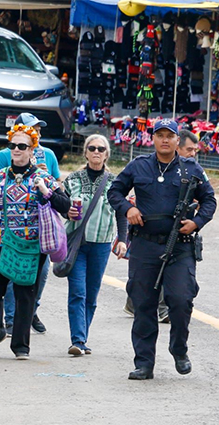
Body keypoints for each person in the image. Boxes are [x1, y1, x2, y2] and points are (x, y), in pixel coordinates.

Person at [108, 119, 216, 380]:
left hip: (179, 246)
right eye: (160, 135)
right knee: (144, 304)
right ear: (153, 139)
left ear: (178, 140)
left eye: (170, 135)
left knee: (181, 299)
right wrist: (128, 209)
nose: (165, 140)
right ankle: (144, 363)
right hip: (145, 245)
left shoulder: (191, 168)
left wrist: (197, 222)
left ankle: (179, 348)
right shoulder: (139, 165)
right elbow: (115, 192)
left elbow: (209, 200)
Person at [0, 124, 70, 360]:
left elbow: (66, 206)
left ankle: (20, 345)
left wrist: (46, 192)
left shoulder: (43, 178)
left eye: (22, 146)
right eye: (12, 145)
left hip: (31, 244)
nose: (16, 149)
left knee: (25, 292)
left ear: (31, 150)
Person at [0, 113, 61, 336]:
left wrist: (45, 179)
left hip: (40, 226)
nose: (38, 133)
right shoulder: (5, 155)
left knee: (40, 274)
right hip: (12, 227)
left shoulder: (48, 154)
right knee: (14, 274)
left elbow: (58, 184)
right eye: (33, 129)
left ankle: (31, 311)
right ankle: (11, 318)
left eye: (39, 130)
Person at [62, 135, 128, 356]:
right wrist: (67, 212)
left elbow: (121, 213)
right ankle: (78, 340)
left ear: (107, 154)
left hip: (101, 245)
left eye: (101, 149)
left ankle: (83, 338)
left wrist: (123, 240)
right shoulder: (72, 179)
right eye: (92, 148)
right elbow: (61, 205)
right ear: (86, 152)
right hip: (77, 244)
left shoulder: (115, 183)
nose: (96, 152)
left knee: (91, 294)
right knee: (77, 292)